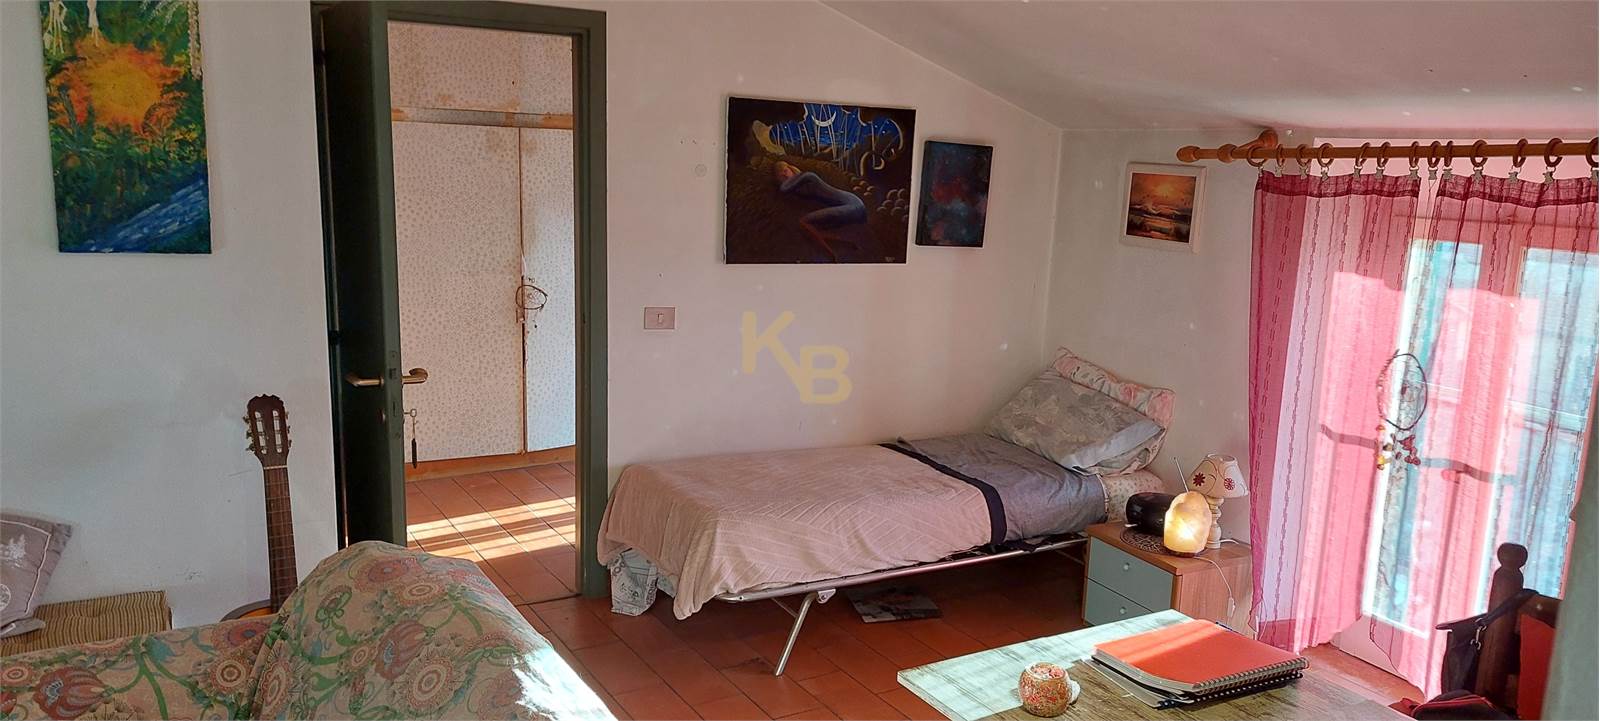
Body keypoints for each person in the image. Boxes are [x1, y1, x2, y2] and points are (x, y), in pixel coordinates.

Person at [773, 161, 868, 262]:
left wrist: (782, 181)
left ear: (791, 168)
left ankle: (830, 254)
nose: (785, 175)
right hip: (850, 205)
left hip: (854, 205)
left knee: (803, 221)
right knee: (814, 227)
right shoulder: (799, 185)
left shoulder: (807, 176)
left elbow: (783, 188)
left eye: (785, 171)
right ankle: (841, 244)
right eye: (781, 175)